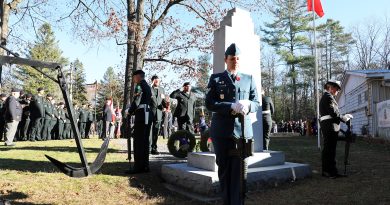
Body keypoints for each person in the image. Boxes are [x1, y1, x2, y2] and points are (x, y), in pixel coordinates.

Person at [205, 43, 260, 205]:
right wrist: (229, 106)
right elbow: (210, 103)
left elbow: (256, 102)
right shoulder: (215, 78)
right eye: (231, 58)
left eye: (237, 58)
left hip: (242, 132)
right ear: (225, 60)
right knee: (224, 169)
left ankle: (237, 202)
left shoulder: (249, 79)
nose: (235, 61)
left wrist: (248, 105)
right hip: (221, 131)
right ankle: (227, 201)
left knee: (240, 173)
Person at [320, 79, 353, 179]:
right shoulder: (328, 97)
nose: (337, 91)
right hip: (329, 125)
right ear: (330, 87)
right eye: (336, 89)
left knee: (331, 149)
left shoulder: (328, 97)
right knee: (329, 149)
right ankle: (327, 171)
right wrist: (344, 118)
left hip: (330, 125)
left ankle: (332, 171)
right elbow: (333, 113)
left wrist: (342, 117)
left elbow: (334, 113)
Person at [126, 70, 152, 174]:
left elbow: (137, 100)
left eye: (134, 77)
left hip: (141, 114)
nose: (133, 80)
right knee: (145, 141)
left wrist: (130, 111)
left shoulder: (139, 85)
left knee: (138, 141)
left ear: (137, 76)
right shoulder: (147, 86)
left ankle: (138, 166)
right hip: (147, 113)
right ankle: (145, 165)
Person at [149, 75, 166, 154]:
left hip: (158, 113)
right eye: (156, 81)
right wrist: (151, 85)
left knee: (156, 131)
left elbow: (163, 101)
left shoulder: (162, 90)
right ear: (153, 81)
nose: (157, 82)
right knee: (149, 131)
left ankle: (154, 148)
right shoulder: (149, 88)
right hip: (149, 112)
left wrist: (165, 106)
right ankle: (148, 148)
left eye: (158, 81)